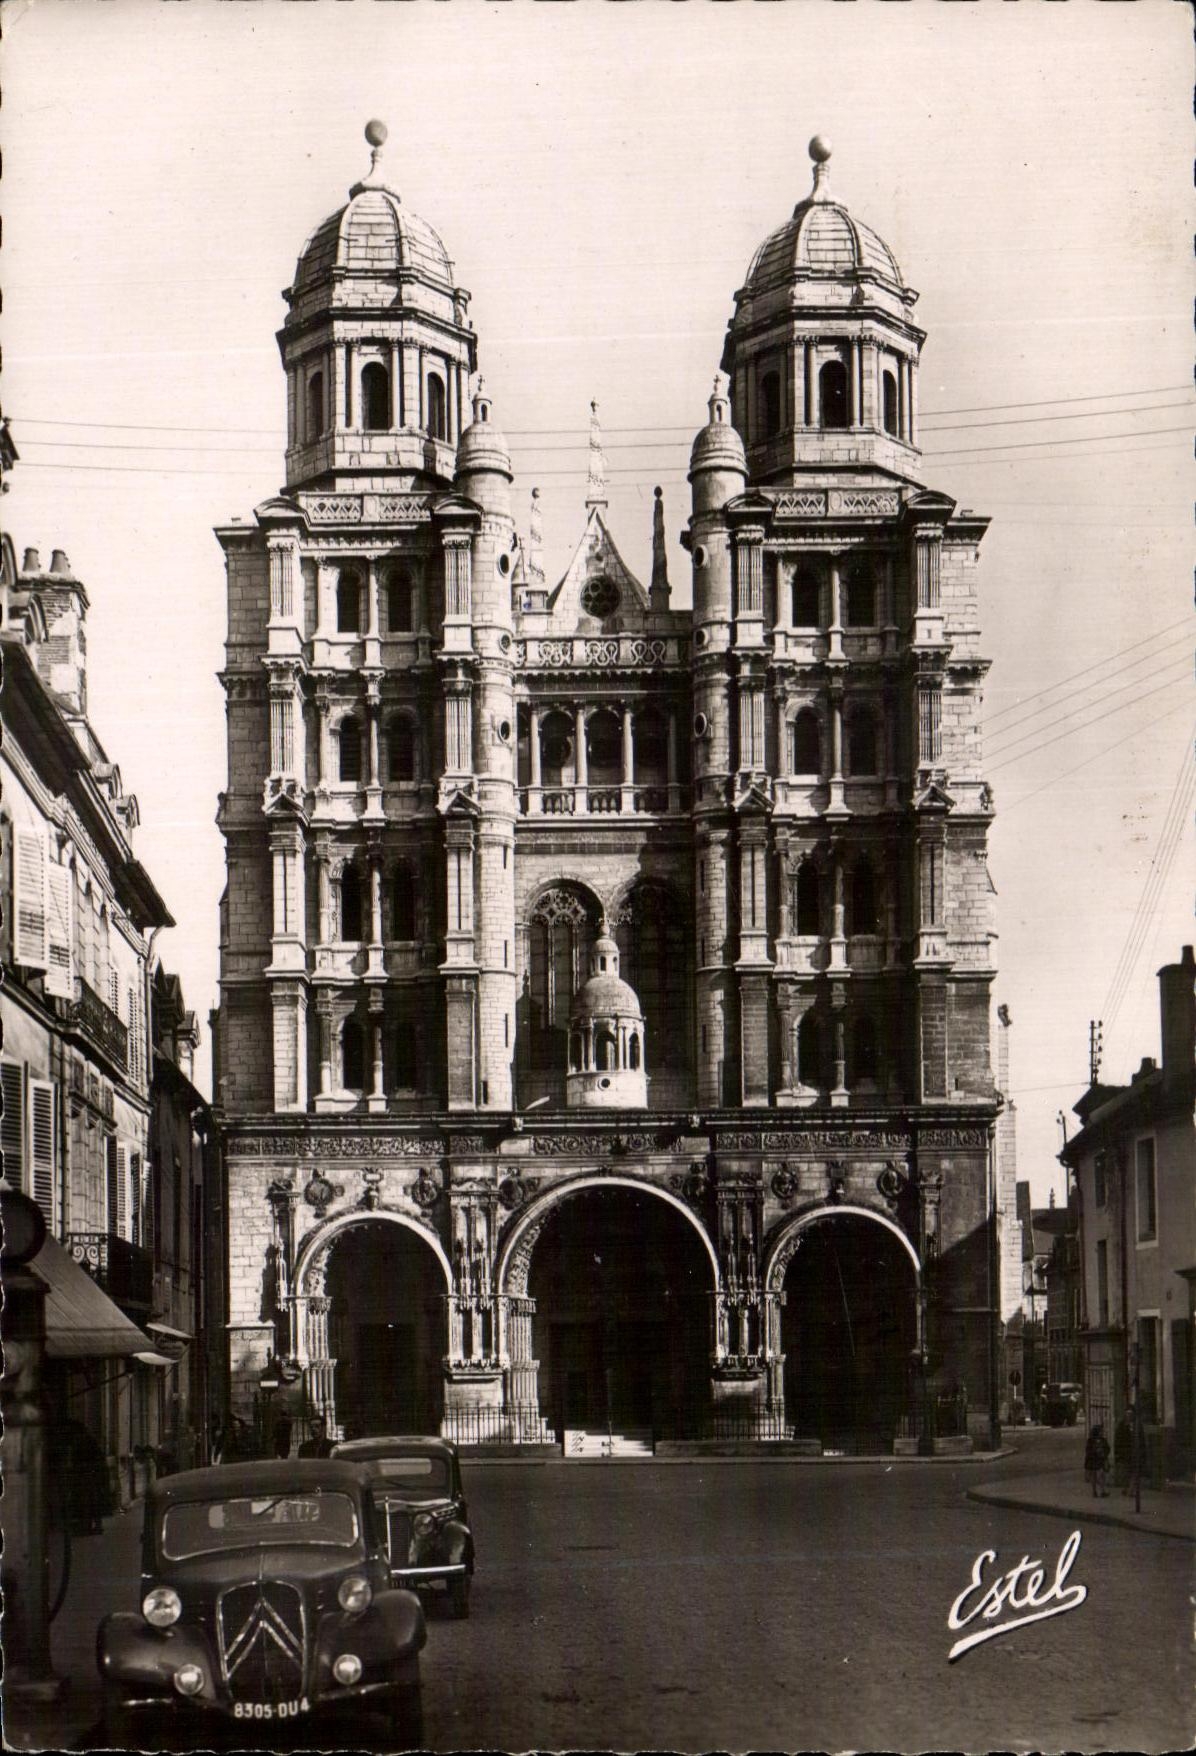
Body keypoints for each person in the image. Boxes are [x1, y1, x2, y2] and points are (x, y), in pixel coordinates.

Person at [1083, 1423, 1111, 1497]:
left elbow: (1107, 1448)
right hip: (1094, 1460)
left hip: (1100, 1459)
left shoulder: (1103, 1440)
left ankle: (1101, 1491)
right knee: (1095, 1476)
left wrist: (1104, 1453)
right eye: (1101, 1431)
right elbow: (1088, 1451)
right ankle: (1095, 1491)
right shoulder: (1091, 1440)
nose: (1102, 1432)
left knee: (1100, 1475)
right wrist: (1096, 1452)